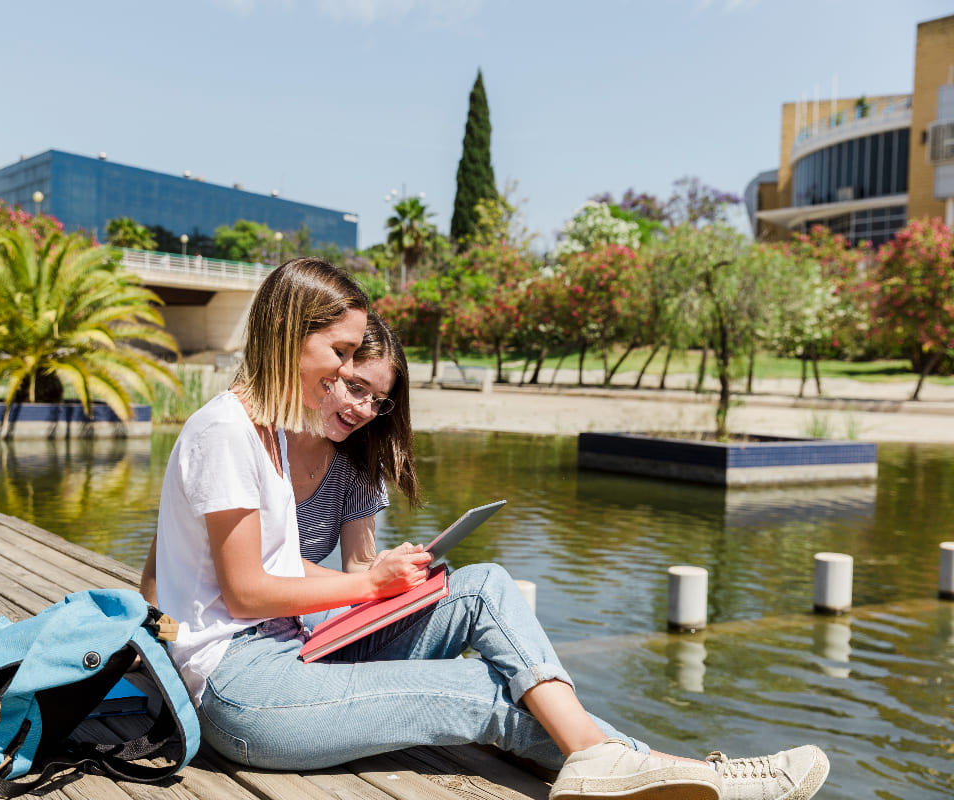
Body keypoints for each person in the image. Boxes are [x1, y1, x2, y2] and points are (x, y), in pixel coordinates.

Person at [140, 257, 829, 800]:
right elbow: (246, 593)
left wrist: (379, 586)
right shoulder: (224, 431)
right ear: (292, 333)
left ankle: (628, 766)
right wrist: (368, 581)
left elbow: (273, 577)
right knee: (479, 691)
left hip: (290, 656)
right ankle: (682, 774)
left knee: (484, 587)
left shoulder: (277, 436)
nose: (351, 371)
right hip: (242, 692)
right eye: (343, 352)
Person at [286, 313, 419, 572]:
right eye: (356, 387)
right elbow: (257, 568)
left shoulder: (357, 466)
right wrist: (369, 583)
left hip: (297, 610)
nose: (366, 410)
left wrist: (381, 570)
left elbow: (359, 565)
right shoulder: (253, 439)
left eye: (379, 401)